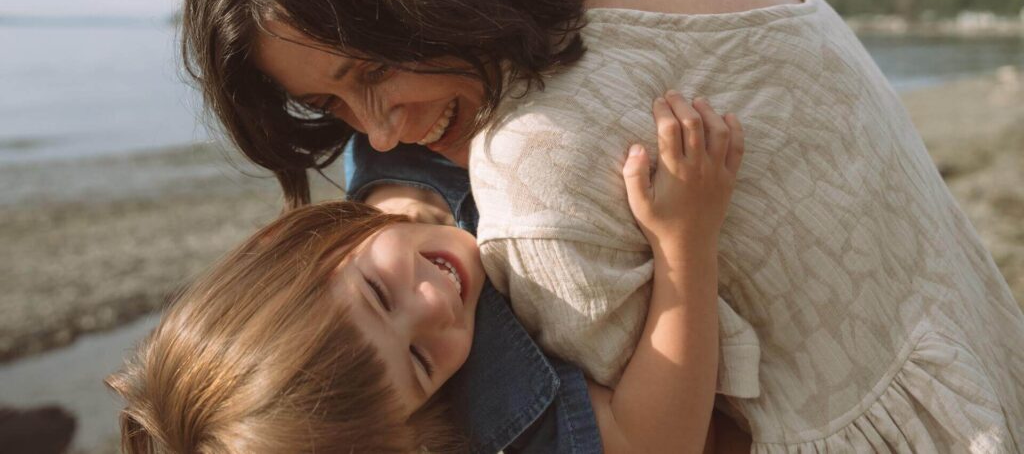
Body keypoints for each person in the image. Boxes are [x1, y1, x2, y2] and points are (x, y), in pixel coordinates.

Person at [181, 0, 1024, 450]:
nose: (383, 128)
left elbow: (674, 438)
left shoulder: (533, 168)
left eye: (372, 68)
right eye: (329, 103)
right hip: (987, 361)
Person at [110, 95, 748, 453]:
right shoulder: (492, 416)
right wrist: (684, 242)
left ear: (290, 241)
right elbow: (654, 444)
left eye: (378, 294)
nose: (434, 307)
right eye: (420, 362)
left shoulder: (386, 131)